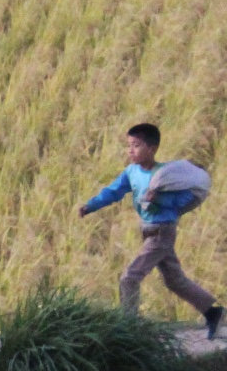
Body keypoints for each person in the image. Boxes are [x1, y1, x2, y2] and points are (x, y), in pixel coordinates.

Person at [78, 122, 224, 338]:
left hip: (162, 231)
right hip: (147, 230)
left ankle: (129, 329)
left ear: (152, 149)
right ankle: (214, 313)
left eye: (136, 146)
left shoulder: (166, 176)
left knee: (130, 277)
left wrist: (161, 199)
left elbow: (185, 198)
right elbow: (114, 191)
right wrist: (91, 205)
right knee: (174, 280)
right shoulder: (131, 173)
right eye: (129, 145)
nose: (131, 151)